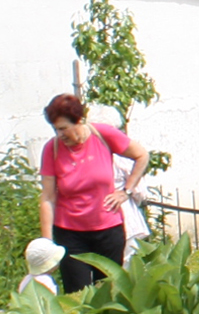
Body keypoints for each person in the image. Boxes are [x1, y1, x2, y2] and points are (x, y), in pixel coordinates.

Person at [39, 93, 142, 293]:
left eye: (63, 128)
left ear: (79, 121)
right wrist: (47, 243)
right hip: (70, 235)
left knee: (108, 293)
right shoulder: (51, 149)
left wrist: (126, 191)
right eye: (55, 129)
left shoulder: (103, 135)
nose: (59, 134)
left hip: (108, 232)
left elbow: (142, 155)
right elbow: (47, 198)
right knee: (78, 295)